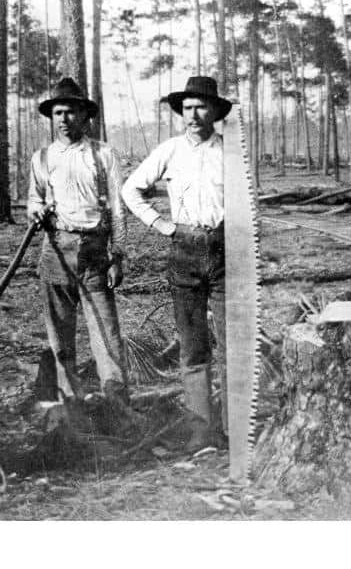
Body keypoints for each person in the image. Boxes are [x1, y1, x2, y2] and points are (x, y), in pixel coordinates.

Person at [122, 76, 231, 451]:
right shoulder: (169, 150)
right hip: (183, 251)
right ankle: (202, 431)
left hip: (224, 252)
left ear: (215, 112)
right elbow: (130, 189)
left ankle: (233, 431)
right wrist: (163, 226)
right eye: (187, 108)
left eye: (202, 107)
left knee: (232, 344)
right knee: (193, 345)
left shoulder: (231, 152)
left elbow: (250, 207)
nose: (194, 114)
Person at [27, 77, 129, 407]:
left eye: (71, 112)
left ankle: (117, 400)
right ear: (51, 117)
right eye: (58, 113)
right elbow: (34, 199)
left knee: (106, 330)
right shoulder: (41, 158)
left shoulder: (103, 155)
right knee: (59, 332)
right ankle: (70, 401)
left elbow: (118, 208)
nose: (64, 119)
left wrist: (119, 254)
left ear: (85, 115)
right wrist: (37, 209)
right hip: (56, 249)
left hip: (95, 251)